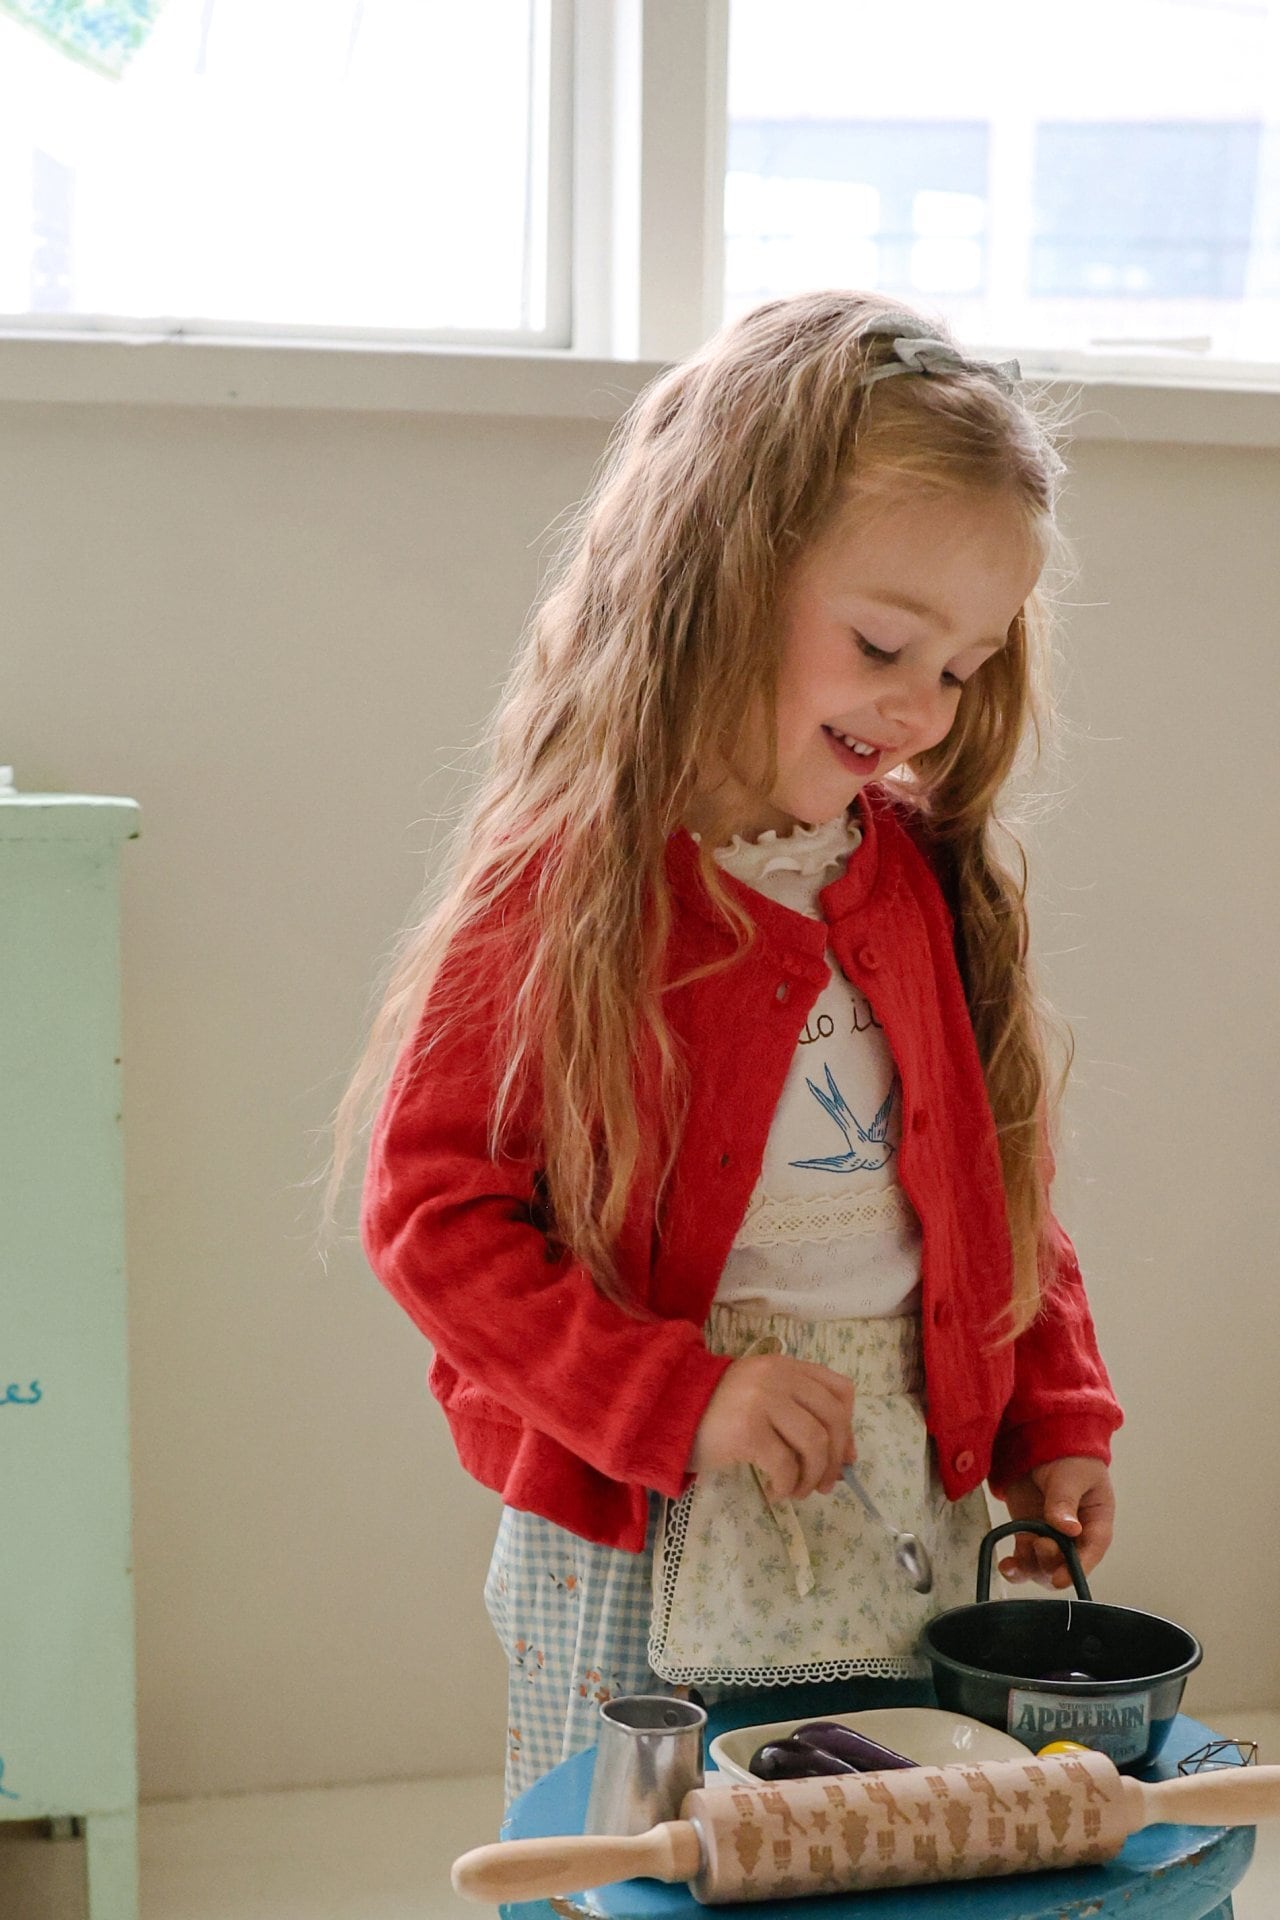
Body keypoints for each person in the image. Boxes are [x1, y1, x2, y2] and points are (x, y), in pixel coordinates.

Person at [341, 290, 1123, 1806]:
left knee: (861, 1836)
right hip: (645, 1520)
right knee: (634, 1857)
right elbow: (435, 1219)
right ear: (718, 575)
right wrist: (679, 1398)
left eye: (963, 668)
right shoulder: (567, 888)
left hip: (901, 1497)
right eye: (884, 643)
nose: (922, 709)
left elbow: (991, 1193)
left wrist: (1055, 1414)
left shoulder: (914, 876)